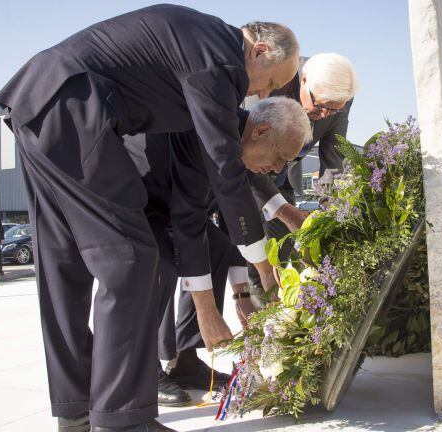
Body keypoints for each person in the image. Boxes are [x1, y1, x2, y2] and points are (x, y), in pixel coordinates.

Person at [0, 5, 298, 431]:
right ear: (260, 50)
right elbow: (223, 166)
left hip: (41, 102)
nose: (262, 94)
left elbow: (221, 180)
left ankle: (76, 413)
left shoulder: (203, 43)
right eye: (270, 82)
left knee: (65, 267)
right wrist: (263, 264)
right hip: (76, 106)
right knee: (132, 258)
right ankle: (122, 420)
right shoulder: (220, 60)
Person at [124, 97, 311, 405]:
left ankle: (184, 360)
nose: (279, 169)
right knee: (160, 261)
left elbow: (239, 212)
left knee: (218, 247)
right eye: (279, 158)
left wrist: (243, 295)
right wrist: (207, 309)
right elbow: (192, 222)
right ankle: (143, 368)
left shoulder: (243, 138)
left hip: (175, 204)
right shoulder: (215, 128)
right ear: (262, 131)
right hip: (142, 197)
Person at [247, 53, 358, 296]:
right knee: (254, 257)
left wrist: (330, 205)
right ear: (303, 80)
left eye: (333, 109)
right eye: (320, 106)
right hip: (249, 177)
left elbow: (334, 152)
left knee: (281, 260)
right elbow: (245, 152)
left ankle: (274, 315)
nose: (325, 114)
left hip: (284, 180)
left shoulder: (338, 99)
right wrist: (282, 209)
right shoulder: (271, 82)